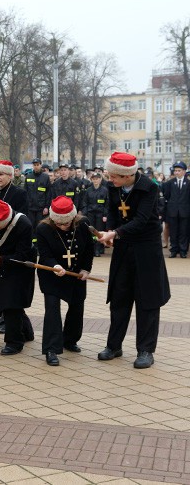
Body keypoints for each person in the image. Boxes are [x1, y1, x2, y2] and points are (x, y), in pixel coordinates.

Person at [95, 152, 170, 369]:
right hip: (123, 248)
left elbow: (141, 220)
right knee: (119, 296)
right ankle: (114, 345)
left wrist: (115, 233)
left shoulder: (150, 188)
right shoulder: (113, 187)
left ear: (128, 176)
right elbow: (111, 211)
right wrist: (109, 232)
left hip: (146, 249)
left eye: (114, 177)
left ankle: (145, 350)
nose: (110, 180)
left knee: (147, 300)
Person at [36, 196, 95, 366]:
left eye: (66, 223)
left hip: (76, 273)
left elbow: (89, 249)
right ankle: (51, 349)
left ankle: (70, 340)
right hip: (52, 274)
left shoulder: (83, 224)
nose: (63, 227)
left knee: (77, 306)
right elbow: (44, 254)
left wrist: (86, 269)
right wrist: (54, 266)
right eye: (59, 224)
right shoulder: (43, 228)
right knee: (52, 309)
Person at [0, 198, 36, 356]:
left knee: (11, 302)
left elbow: (23, 254)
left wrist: (0, 259)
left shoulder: (23, 224)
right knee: (10, 301)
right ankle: (26, 332)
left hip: (20, 266)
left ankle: (14, 342)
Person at [162, 161, 189, 258]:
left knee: (184, 232)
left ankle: (183, 251)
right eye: (175, 170)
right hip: (172, 211)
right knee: (173, 232)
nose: (176, 172)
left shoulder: (188, 183)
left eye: (179, 170)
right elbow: (167, 197)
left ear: (184, 171)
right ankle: (173, 250)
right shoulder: (169, 183)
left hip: (185, 212)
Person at [82, 172, 109, 256]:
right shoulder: (88, 190)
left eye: (97, 178)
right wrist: (85, 213)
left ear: (100, 179)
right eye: (94, 179)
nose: (95, 180)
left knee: (99, 231)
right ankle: (93, 249)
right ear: (91, 180)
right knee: (91, 231)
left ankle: (98, 249)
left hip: (100, 214)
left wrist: (105, 215)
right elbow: (85, 202)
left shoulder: (105, 190)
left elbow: (107, 204)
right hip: (90, 214)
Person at [24, 158, 51, 228]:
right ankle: (31, 239)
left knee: (40, 226)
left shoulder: (45, 177)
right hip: (30, 208)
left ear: (40, 165)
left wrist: (46, 207)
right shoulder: (28, 176)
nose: (36, 166)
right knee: (30, 226)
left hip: (41, 208)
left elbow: (48, 193)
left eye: (37, 165)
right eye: (34, 165)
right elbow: (25, 192)